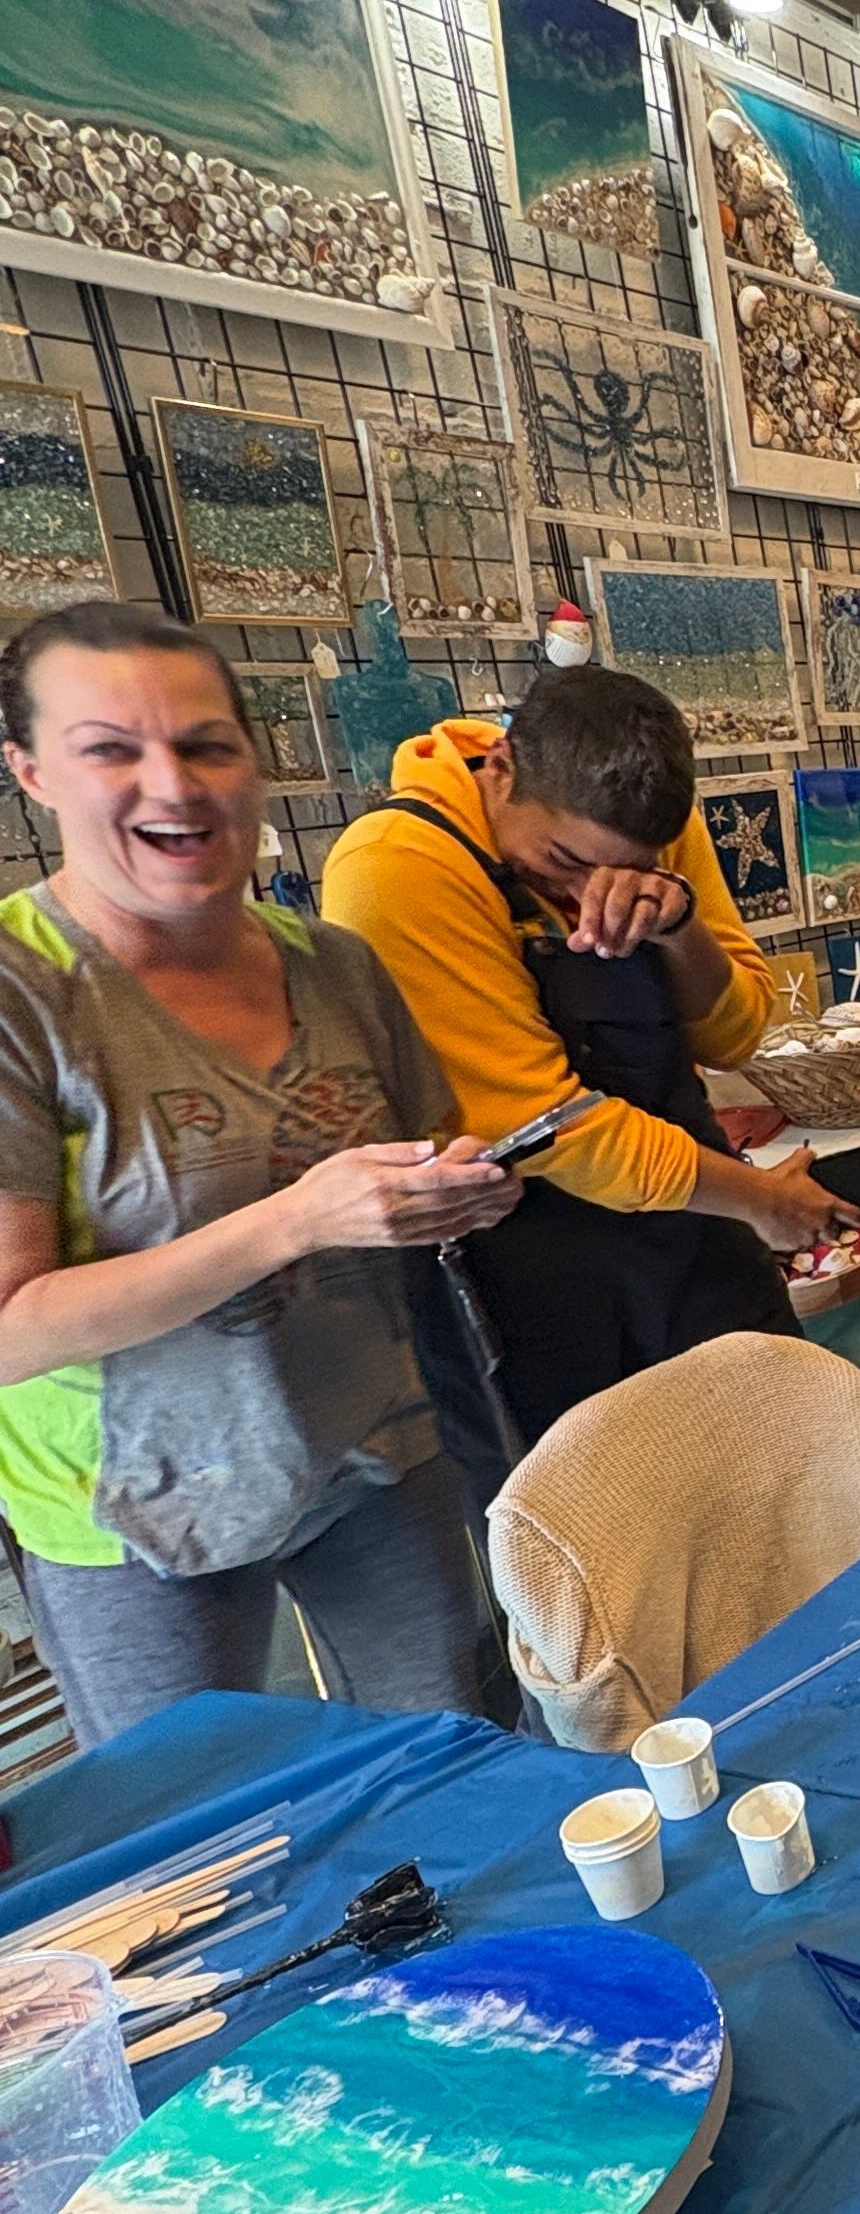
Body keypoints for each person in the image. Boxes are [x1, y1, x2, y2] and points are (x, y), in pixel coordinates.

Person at [0, 602, 516, 1747]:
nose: (172, 785)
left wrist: (462, 1188)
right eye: (111, 750)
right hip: (138, 1510)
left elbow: (430, 1149)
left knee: (445, 1757)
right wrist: (292, 1222)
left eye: (205, 744)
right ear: (31, 772)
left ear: (255, 761)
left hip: (374, 1449)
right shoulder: (22, 995)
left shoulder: (335, 966)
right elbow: (10, 1328)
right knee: (195, 1817)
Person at [324, 672, 848, 1506]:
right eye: (564, 864)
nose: (590, 898)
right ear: (501, 769)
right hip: (526, 1262)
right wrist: (759, 1200)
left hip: (691, 1228)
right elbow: (546, 1123)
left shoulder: (648, 820)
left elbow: (736, 1034)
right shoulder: (397, 866)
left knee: (784, 1486)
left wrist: (676, 925)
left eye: (628, 870)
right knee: (603, 1538)